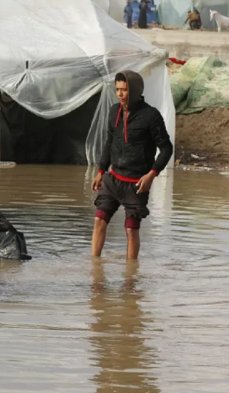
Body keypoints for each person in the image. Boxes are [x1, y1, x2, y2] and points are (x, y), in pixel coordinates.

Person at [91, 71, 173, 260]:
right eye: (117, 89)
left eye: (124, 90)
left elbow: (166, 148)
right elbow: (109, 143)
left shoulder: (151, 116)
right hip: (112, 180)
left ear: (135, 90)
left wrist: (151, 175)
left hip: (137, 184)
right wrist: (101, 171)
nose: (120, 94)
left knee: (131, 230)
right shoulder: (113, 111)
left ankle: (130, 279)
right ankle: (94, 272)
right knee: (99, 220)